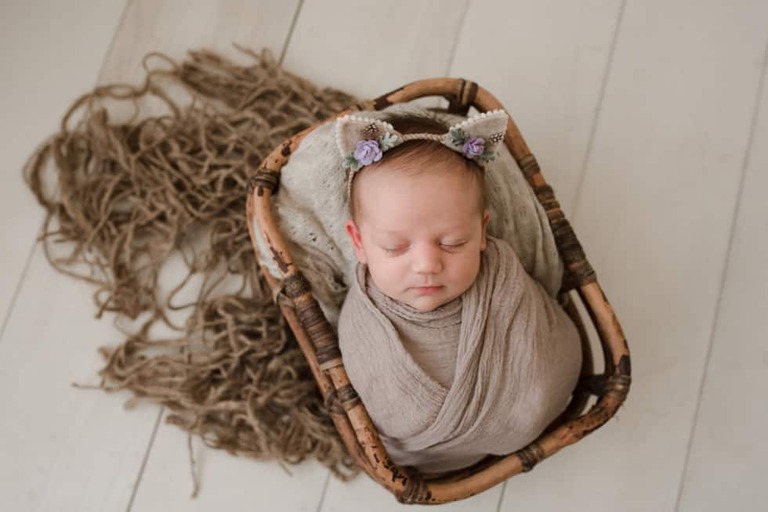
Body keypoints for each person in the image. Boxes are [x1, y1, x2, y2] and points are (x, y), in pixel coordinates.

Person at [336, 110, 582, 473]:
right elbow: (374, 398)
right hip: (431, 450)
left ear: (483, 232)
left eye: (453, 243)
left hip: (545, 404)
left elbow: (551, 346)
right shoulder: (363, 319)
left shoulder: (503, 277)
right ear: (359, 242)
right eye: (394, 247)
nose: (426, 265)